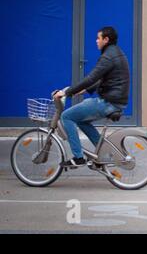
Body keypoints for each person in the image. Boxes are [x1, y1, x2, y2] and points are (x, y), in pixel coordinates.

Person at [53, 26, 130, 168]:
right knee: (82, 121)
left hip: (108, 102)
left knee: (67, 116)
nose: (96, 41)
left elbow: (91, 77)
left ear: (106, 40)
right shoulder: (116, 53)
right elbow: (106, 79)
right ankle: (102, 154)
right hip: (115, 101)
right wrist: (85, 90)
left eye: (98, 38)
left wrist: (67, 92)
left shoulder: (108, 56)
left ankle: (78, 157)